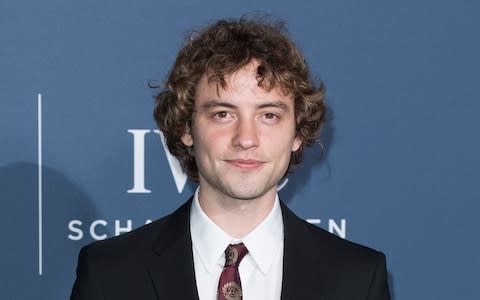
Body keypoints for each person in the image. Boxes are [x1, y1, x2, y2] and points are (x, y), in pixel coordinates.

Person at [71, 17, 391, 300]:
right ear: (186, 127)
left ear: (297, 133)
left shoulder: (357, 279)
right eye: (223, 114)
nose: (246, 139)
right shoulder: (109, 275)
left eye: (268, 115)